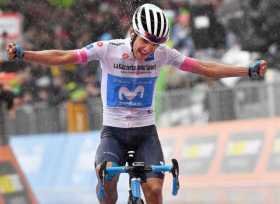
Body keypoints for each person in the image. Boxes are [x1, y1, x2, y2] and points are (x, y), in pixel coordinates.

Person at [7, 3, 267, 204]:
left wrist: (247, 71)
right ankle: (105, 189)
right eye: (145, 42)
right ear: (132, 33)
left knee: (154, 191)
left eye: (155, 45)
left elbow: (205, 68)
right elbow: (65, 56)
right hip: (114, 133)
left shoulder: (163, 54)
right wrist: (24, 54)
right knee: (109, 182)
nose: (149, 50)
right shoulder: (107, 49)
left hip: (145, 133)